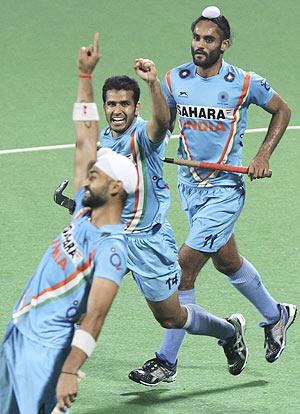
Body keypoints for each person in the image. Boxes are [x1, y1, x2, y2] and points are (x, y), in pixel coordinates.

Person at [57, 34, 249, 385]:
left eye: (125, 104)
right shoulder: (103, 142)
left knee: (172, 318)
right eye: (111, 104)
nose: (117, 110)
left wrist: (153, 83)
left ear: (136, 107)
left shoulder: (144, 135)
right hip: (111, 239)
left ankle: (227, 331)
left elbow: (162, 122)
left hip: (148, 243)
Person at [128, 6, 297, 386]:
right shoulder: (175, 80)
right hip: (191, 187)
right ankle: (276, 315)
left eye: (208, 40)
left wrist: (262, 154)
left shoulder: (245, 82)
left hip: (224, 192)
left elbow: (282, 110)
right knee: (227, 260)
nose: (200, 45)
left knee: (183, 268)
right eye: (196, 38)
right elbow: (162, 124)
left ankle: (166, 361)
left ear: (224, 44)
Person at [0, 34, 139, 413]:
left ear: (115, 188)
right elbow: (84, 138)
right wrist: (84, 75)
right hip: (18, 330)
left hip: (46, 353)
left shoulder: (112, 250)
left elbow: (96, 316)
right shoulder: (82, 209)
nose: (85, 176)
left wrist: (70, 370)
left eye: (94, 175)